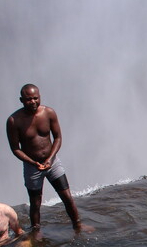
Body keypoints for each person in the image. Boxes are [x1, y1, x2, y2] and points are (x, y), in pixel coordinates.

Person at [6, 83, 87, 231]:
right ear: (21, 100)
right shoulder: (14, 121)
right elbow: (15, 148)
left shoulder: (49, 113)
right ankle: (36, 232)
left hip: (53, 163)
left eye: (36, 98)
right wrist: (33, 162)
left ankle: (78, 225)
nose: (33, 102)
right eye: (29, 99)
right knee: (35, 203)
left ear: (40, 97)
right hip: (32, 167)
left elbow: (57, 138)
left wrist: (50, 158)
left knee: (67, 197)